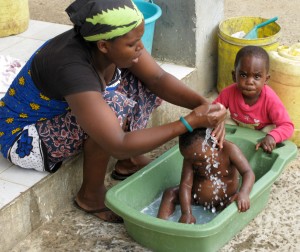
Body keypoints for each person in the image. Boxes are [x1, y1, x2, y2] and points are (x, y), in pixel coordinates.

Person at [0, 0, 227, 223]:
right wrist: (189, 122)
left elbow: (158, 78)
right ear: (103, 46)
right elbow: (116, 144)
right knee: (112, 107)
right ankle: (90, 195)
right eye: (133, 44)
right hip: (25, 138)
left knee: (143, 82)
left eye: (140, 39)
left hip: (65, 112)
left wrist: (204, 106)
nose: (141, 47)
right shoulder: (72, 68)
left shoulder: (109, 40)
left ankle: (129, 162)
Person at [157, 128, 255, 224]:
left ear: (216, 145)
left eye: (202, 160)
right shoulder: (192, 157)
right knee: (170, 193)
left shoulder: (229, 150)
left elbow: (248, 172)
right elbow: (186, 185)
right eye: (191, 161)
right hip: (196, 199)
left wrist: (244, 193)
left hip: (224, 201)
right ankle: (160, 226)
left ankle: (218, 226)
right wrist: (186, 213)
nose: (197, 164)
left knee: (236, 201)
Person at [214, 46, 294, 153]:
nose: (249, 82)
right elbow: (212, 111)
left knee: (272, 130)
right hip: (238, 127)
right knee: (221, 123)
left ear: (266, 79)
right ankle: (227, 149)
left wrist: (272, 137)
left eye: (257, 77)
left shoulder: (270, 98)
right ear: (234, 76)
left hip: (262, 132)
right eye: (243, 75)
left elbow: (287, 126)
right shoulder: (228, 92)